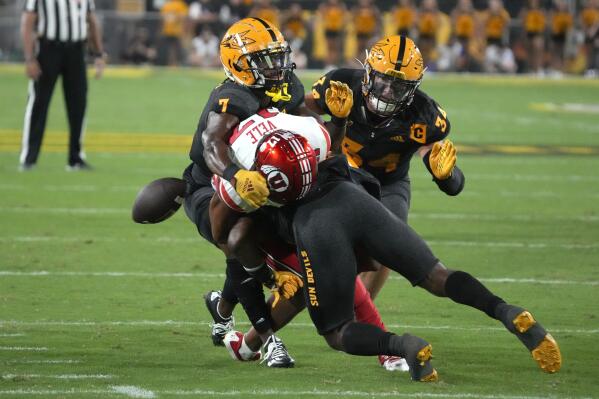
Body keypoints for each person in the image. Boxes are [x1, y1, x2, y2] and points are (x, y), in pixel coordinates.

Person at [215, 112, 562, 381]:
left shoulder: (243, 165)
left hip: (317, 226)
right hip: (356, 199)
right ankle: (504, 309)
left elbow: (227, 232)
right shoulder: (310, 132)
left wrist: (261, 270)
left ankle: (401, 346)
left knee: (337, 332)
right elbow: (333, 143)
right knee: (436, 275)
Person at [183, 17, 316, 368]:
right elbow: (213, 145)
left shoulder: (285, 84)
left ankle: (222, 307)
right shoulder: (232, 96)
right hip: (210, 187)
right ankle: (268, 340)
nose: (275, 67)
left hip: (259, 185)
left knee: (251, 247)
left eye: (276, 57)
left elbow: (304, 123)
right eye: (263, 59)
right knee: (237, 242)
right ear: (238, 63)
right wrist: (236, 174)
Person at [304, 35, 464, 300]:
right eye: (383, 81)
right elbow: (300, 108)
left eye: (398, 86)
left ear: (413, 88)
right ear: (368, 73)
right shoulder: (342, 84)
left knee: (390, 242)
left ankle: (362, 308)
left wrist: (447, 177)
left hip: (388, 184)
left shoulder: (423, 115)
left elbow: (452, 182)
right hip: (341, 176)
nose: (388, 91)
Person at [20, 0, 105, 171]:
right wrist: (29, 58)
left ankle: (76, 158)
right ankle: (29, 158)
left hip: (76, 51)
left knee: (79, 104)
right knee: (38, 103)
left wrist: (98, 54)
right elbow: (28, 21)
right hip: (48, 49)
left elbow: (91, 20)